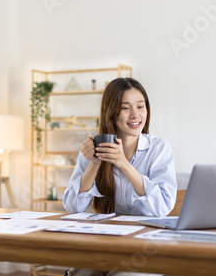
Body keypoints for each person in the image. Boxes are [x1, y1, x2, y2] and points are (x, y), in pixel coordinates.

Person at [63, 77, 177, 218]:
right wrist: (94, 163)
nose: (135, 115)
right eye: (125, 108)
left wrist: (124, 164)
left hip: (144, 235)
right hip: (106, 235)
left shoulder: (159, 148)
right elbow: (73, 207)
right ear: (111, 113)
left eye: (140, 107)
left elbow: (163, 207)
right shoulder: (94, 147)